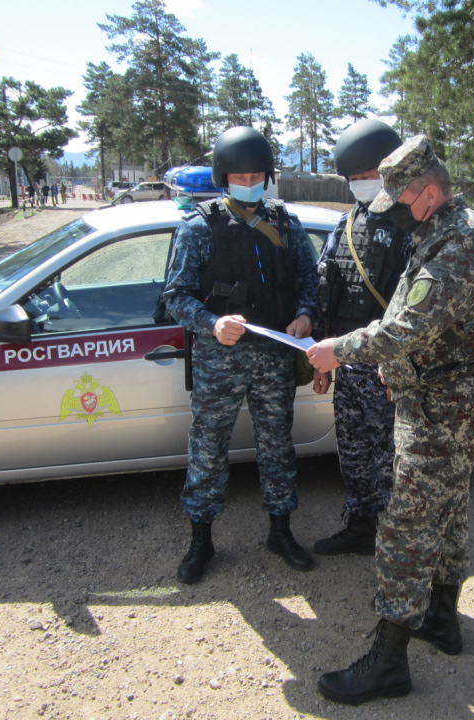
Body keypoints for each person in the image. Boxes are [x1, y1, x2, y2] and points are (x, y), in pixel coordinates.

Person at [307, 135, 474, 705]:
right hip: (439, 400)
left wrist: (337, 350)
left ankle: (388, 661)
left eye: (401, 200)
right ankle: (441, 621)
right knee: (446, 512)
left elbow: (405, 330)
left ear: (430, 192)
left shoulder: (461, 245)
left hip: (443, 408)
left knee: (405, 527)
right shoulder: (437, 231)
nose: (393, 210)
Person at [163, 126, 319, 584]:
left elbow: (311, 281)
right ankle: (201, 540)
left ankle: (280, 531)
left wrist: (306, 316)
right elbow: (175, 296)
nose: (248, 181)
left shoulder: (286, 225)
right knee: (207, 449)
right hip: (219, 362)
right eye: (238, 174)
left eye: (256, 174)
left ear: (267, 176)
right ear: (223, 177)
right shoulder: (198, 228)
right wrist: (212, 323)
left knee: (277, 447)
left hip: (274, 355)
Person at [311, 119, 411, 556]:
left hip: (391, 369)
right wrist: (321, 356)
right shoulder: (345, 226)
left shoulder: (413, 228)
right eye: (353, 179)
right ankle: (361, 525)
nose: (361, 186)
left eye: (368, 176)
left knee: (393, 459)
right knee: (353, 454)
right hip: (348, 364)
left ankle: (395, 539)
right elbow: (326, 287)